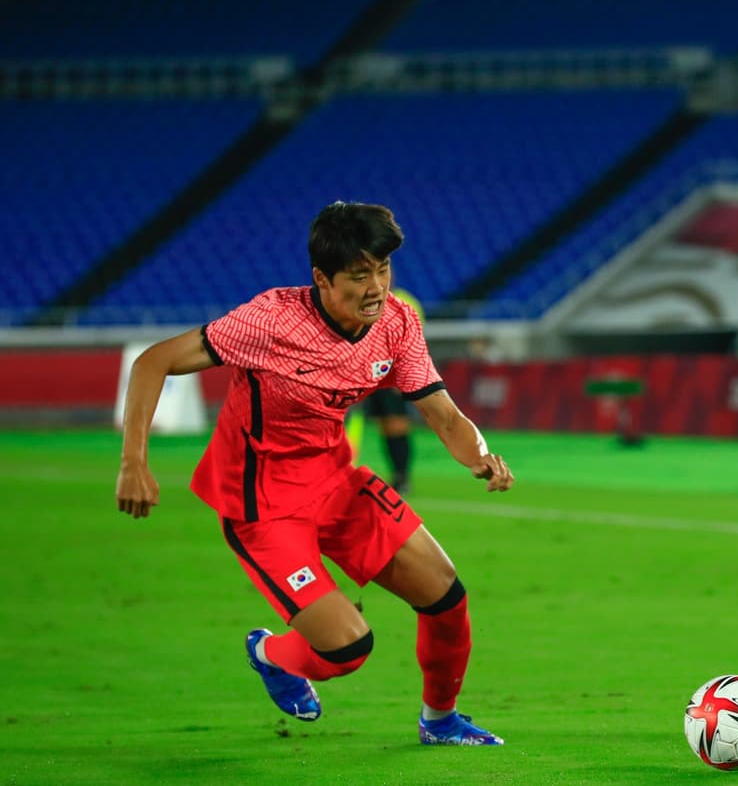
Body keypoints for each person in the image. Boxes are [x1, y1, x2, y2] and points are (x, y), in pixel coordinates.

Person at [114, 201, 514, 746]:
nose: (376, 287)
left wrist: (478, 455)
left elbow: (442, 412)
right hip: (262, 507)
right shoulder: (269, 321)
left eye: (383, 270)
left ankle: (439, 721)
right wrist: (134, 462)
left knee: (447, 598)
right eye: (359, 275)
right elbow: (152, 361)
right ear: (322, 279)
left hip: (335, 483)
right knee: (347, 649)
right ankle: (270, 653)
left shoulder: (396, 322)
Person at [348, 286, 426, 494]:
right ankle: (349, 470)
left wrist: (403, 376)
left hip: (391, 373)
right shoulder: (360, 299)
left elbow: (413, 342)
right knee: (381, 425)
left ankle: (403, 475)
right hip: (365, 373)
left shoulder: (405, 301)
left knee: (397, 425)